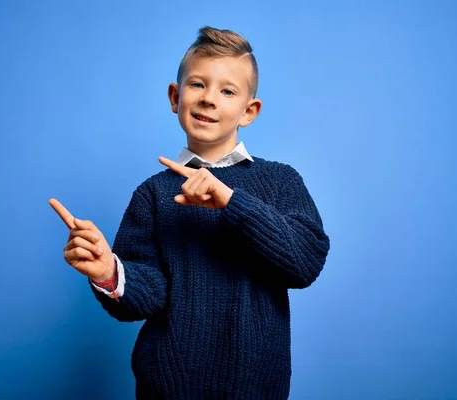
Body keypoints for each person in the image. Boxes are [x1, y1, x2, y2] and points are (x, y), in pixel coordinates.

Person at [49, 26, 330, 399]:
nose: (209, 99)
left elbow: (304, 262)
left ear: (249, 111)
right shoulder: (153, 193)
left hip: (256, 388)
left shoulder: (280, 181)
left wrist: (232, 202)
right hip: (169, 388)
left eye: (227, 91)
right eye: (198, 84)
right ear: (174, 96)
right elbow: (148, 296)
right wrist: (109, 272)